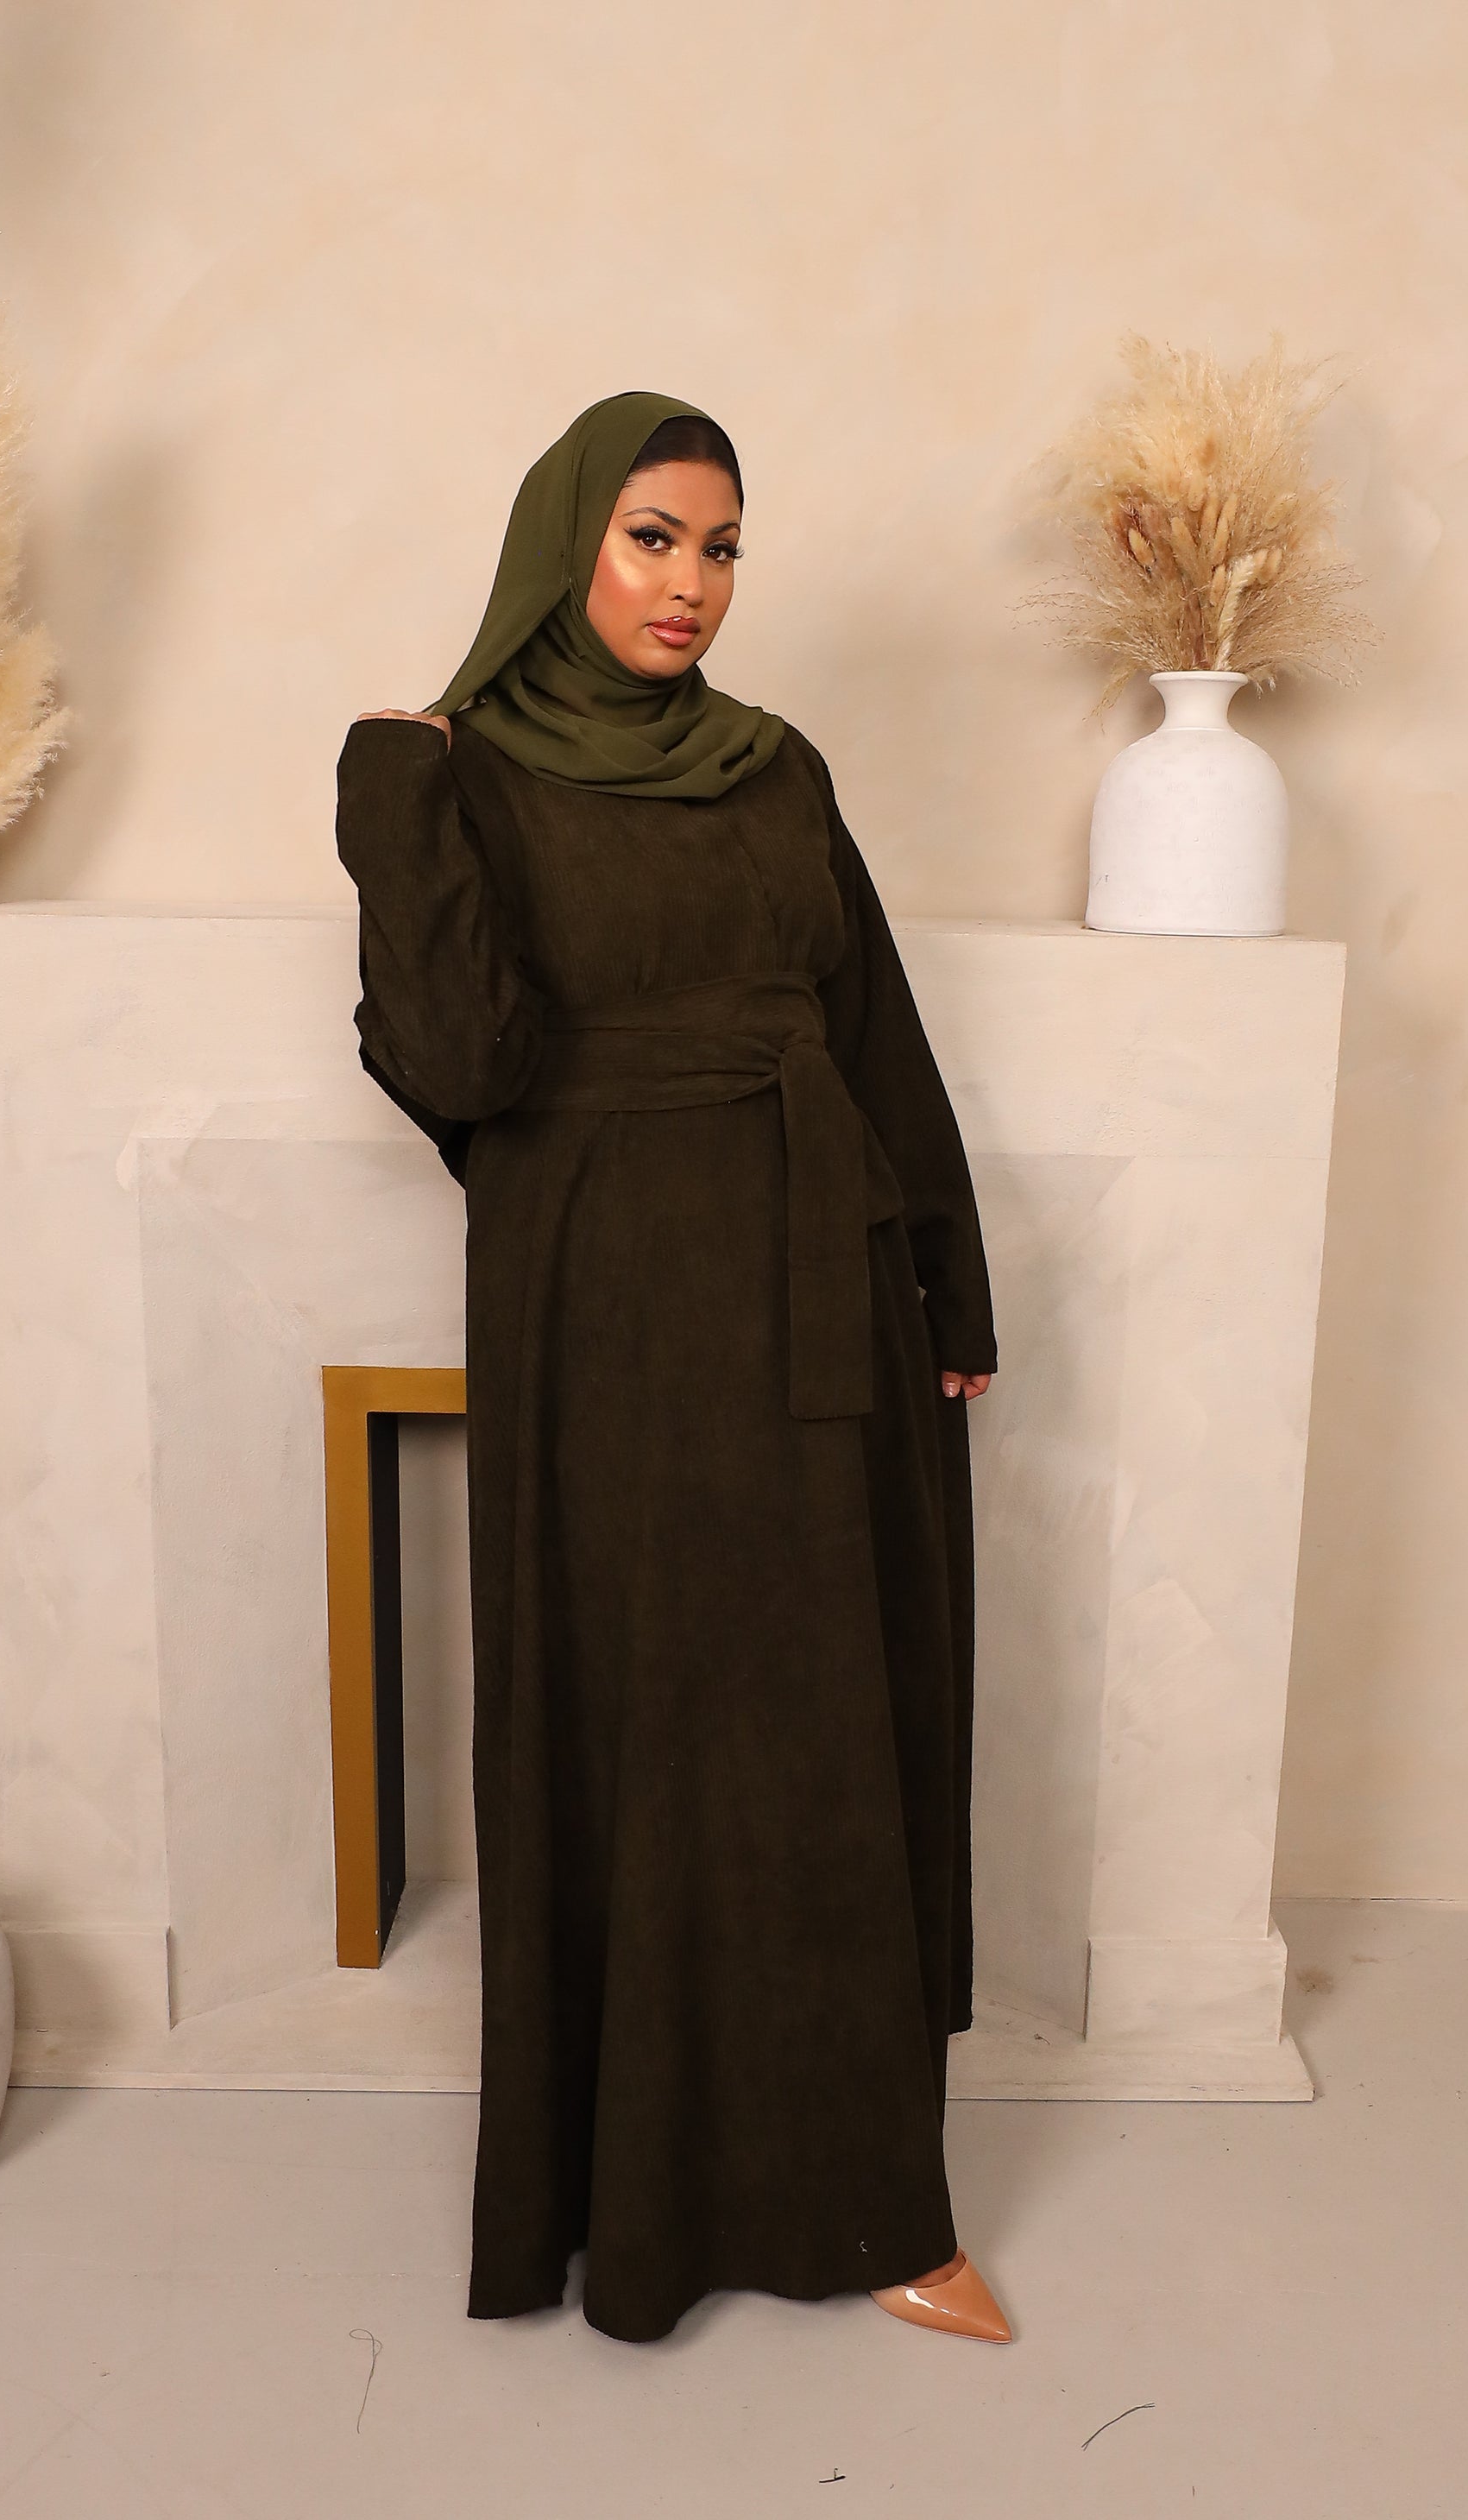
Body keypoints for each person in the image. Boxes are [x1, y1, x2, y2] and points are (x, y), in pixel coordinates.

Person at [335, 389, 1007, 2346]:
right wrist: (393, 799)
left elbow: (872, 1034)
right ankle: (621, 2203)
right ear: (567, 542)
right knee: (636, 1726)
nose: (690, 583)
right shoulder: (451, 777)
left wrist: (946, 1290)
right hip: (604, 1301)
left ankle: (875, 2203)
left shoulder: (777, 770)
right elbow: (464, 1069)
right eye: (651, 537)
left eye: (718, 548)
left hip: (817, 1281)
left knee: (821, 1731)